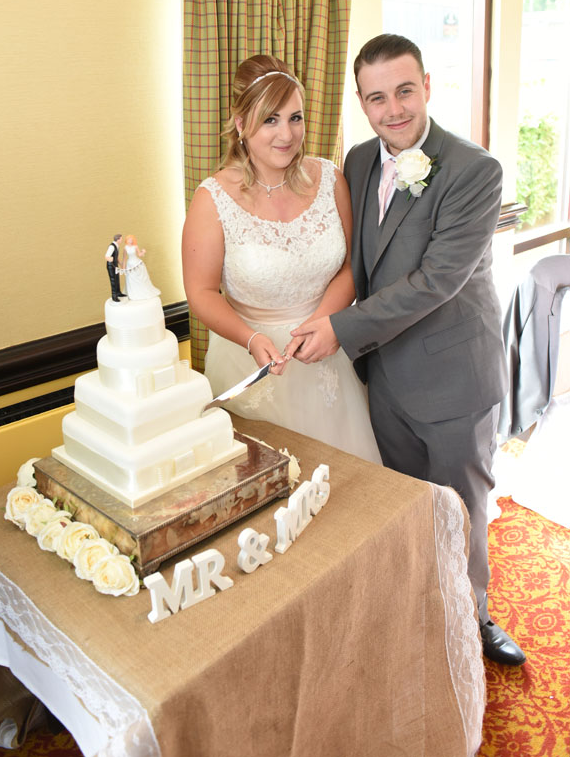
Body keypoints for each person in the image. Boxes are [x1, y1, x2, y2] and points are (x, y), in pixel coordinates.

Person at [291, 34, 526, 666]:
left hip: (455, 378)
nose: (393, 109)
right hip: (384, 378)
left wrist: (339, 329)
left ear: (426, 85)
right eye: (376, 98)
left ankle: (473, 618)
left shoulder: (475, 170)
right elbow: (357, 262)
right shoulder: (361, 161)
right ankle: (422, 608)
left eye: (404, 91)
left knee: (461, 510)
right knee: (407, 506)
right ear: (361, 104)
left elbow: (435, 281)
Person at [182, 54, 381, 463]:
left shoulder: (331, 180)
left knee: (346, 493)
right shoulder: (212, 199)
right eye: (270, 120)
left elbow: (348, 268)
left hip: (327, 360)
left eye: (295, 117)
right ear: (241, 125)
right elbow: (200, 291)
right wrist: (252, 339)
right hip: (250, 363)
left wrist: (325, 323)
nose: (287, 134)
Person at [122, 235, 161, 300]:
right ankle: (133, 291)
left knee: (140, 278)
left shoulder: (135, 246)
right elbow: (124, 258)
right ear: (126, 240)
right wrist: (123, 268)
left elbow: (139, 254)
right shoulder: (125, 248)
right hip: (130, 265)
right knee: (132, 278)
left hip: (137, 263)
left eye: (132, 240)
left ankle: (143, 290)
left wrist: (143, 252)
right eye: (129, 240)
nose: (130, 241)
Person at [105, 234, 125, 302]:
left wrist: (120, 263)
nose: (122, 240)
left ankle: (118, 292)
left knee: (117, 278)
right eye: (121, 239)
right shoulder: (112, 246)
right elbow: (106, 256)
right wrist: (112, 259)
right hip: (111, 266)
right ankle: (114, 296)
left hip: (115, 266)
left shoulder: (117, 246)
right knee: (113, 280)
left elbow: (116, 256)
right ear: (118, 239)